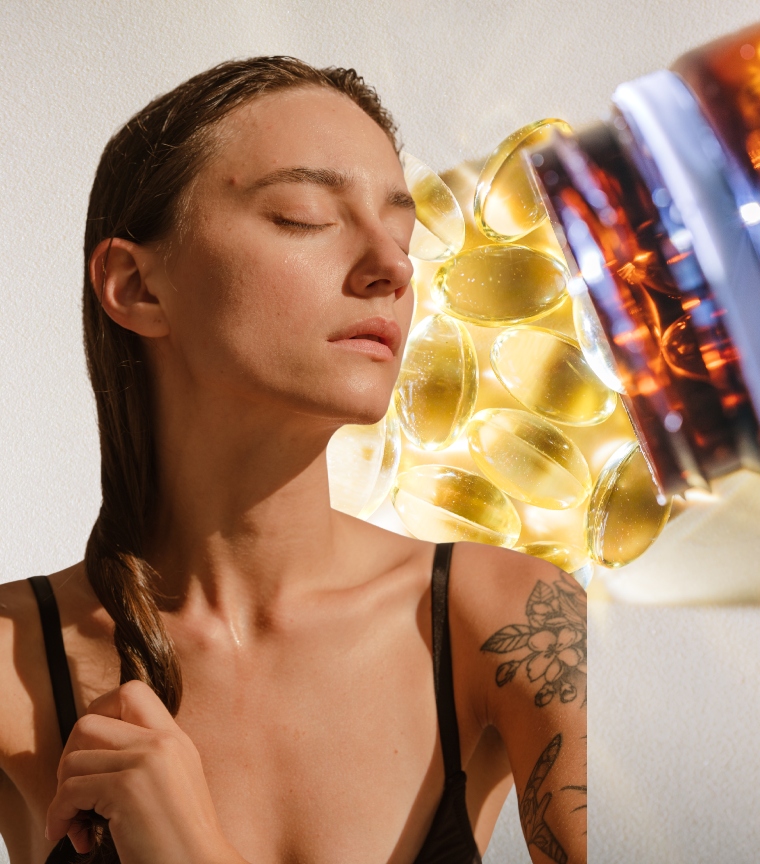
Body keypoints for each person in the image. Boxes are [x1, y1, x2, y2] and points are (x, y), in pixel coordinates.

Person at [0, 57, 587, 864]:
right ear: (136, 286)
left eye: (402, 229)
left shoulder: (513, 625)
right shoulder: (13, 663)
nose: (393, 266)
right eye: (306, 215)